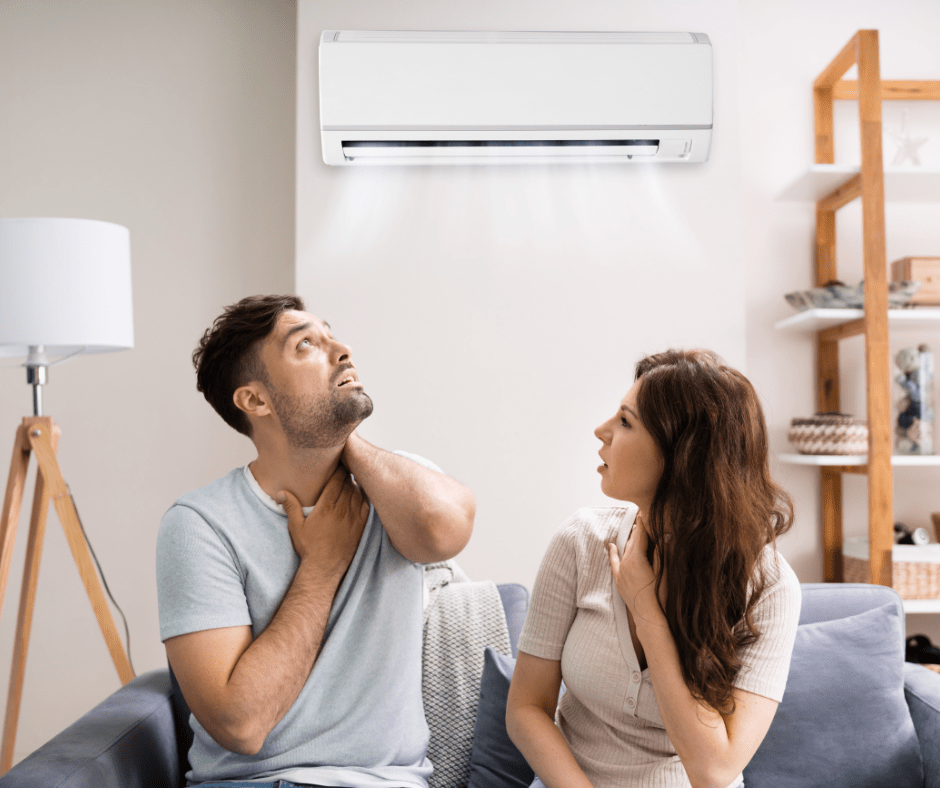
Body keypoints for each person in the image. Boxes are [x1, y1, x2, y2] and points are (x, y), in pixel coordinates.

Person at [156, 294, 475, 788]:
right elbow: (239, 725)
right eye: (306, 345)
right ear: (255, 400)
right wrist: (322, 566)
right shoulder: (200, 524)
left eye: (331, 335)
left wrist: (339, 439)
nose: (343, 350)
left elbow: (447, 529)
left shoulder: (396, 490)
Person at [506, 349, 800, 788]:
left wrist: (647, 614)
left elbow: (714, 771)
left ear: (683, 457)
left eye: (626, 422)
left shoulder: (768, 586)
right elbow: (526, 707)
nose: (601, 431)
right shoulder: (582, 541)